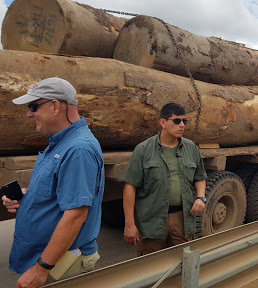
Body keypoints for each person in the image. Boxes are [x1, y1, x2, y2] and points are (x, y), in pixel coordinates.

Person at [2, 77, 105, 286]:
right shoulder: (61, 142)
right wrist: (27, 199)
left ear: (56, 106)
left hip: (61, 266)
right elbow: (59, 195)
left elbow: (76, 215)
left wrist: (41, 269)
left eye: (33, 106)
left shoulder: (78, 149)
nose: (29, 114)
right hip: (50, 261)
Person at [122, 103, 207, 256]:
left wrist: (201, 197)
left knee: (183, 262)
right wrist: (129, 224)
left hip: (183, 218)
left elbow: (199, 177)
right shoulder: (143, 150)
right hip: (151, 219)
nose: (182, 125)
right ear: (163, 123)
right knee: (150, 265)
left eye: (184, 121)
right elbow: (130, 186)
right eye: (176, 121)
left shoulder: (191, 148)